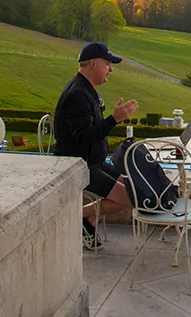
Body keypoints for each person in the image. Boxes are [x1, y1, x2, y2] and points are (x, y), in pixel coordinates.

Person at [54, 42, 139, 250]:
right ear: (93, 63)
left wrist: (113, 118)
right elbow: (84, 137)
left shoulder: (87, 90)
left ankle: (87, 221)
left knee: (136, 189)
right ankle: (78, 216)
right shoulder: (77, 95)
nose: (111, 69)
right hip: (79, 166)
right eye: (108, 64)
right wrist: (114, 119)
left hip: (95, 161)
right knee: (131, 198)